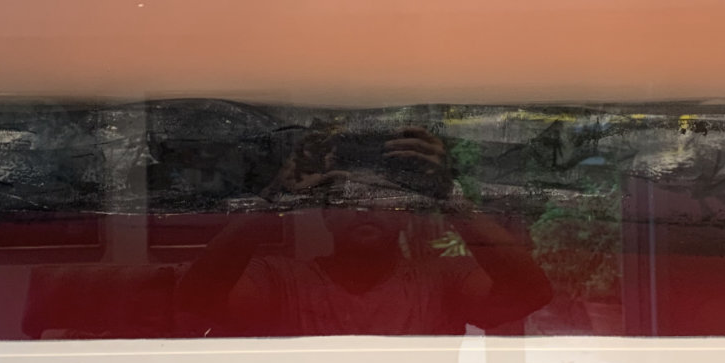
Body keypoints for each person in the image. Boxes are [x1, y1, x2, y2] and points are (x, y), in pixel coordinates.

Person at [175, 126, 552, 336]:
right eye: (349, 196)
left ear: (406, 214)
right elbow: (197, 298)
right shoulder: (280, 278)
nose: (367, 207)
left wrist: (450, 197)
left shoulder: (440, 280)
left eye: (384, 196)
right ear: (324, 214)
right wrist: (275, 198)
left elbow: (529, 294)